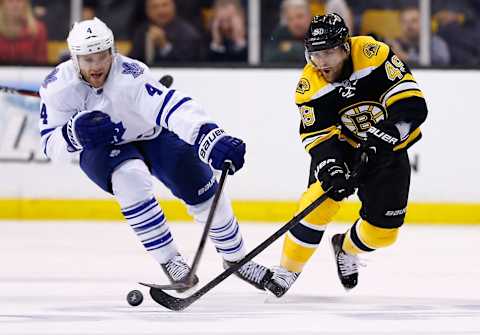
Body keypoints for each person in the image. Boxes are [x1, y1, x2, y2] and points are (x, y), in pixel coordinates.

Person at [38, 17, 272, 292]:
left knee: (204, 191)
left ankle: (236, 258)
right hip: (103, 148)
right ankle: (170, 260)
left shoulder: (131, 76)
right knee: (130, 178)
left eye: (102, 56)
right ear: (74, 58)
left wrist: (210, 136)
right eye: (88, 59)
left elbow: (172, 107)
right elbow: (49, 144)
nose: (97, 66)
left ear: (112, 51)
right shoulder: (57, 88)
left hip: (152, 135)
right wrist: (73, 135)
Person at [262, 13, 428, 297]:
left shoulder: (375, 55)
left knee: (383, 232)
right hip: (345, 144)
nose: (322, 62)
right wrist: (332, 168)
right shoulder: (309, 85)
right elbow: (319, 139)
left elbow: (412, 105)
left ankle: (346, 248)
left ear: (346, 47)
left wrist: (387, 134)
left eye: (328, 52)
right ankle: (287, 270)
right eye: (315, 54)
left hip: (390, 148)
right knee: (319, 201)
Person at [129, 0, 205, 64]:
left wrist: (164, 45)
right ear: (147, 11)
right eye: (154, 7)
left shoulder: (188, 33)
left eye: (165, 5)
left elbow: (188, 64)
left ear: (174, 6)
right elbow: (134, 58)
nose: (160, 11)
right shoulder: (143, 30)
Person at [0, 0, 47, 65]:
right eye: (10, 1)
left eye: (19, 1)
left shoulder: (38, 29)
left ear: (26, 4)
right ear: (2, 4)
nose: (15, 5)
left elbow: (42, 65)